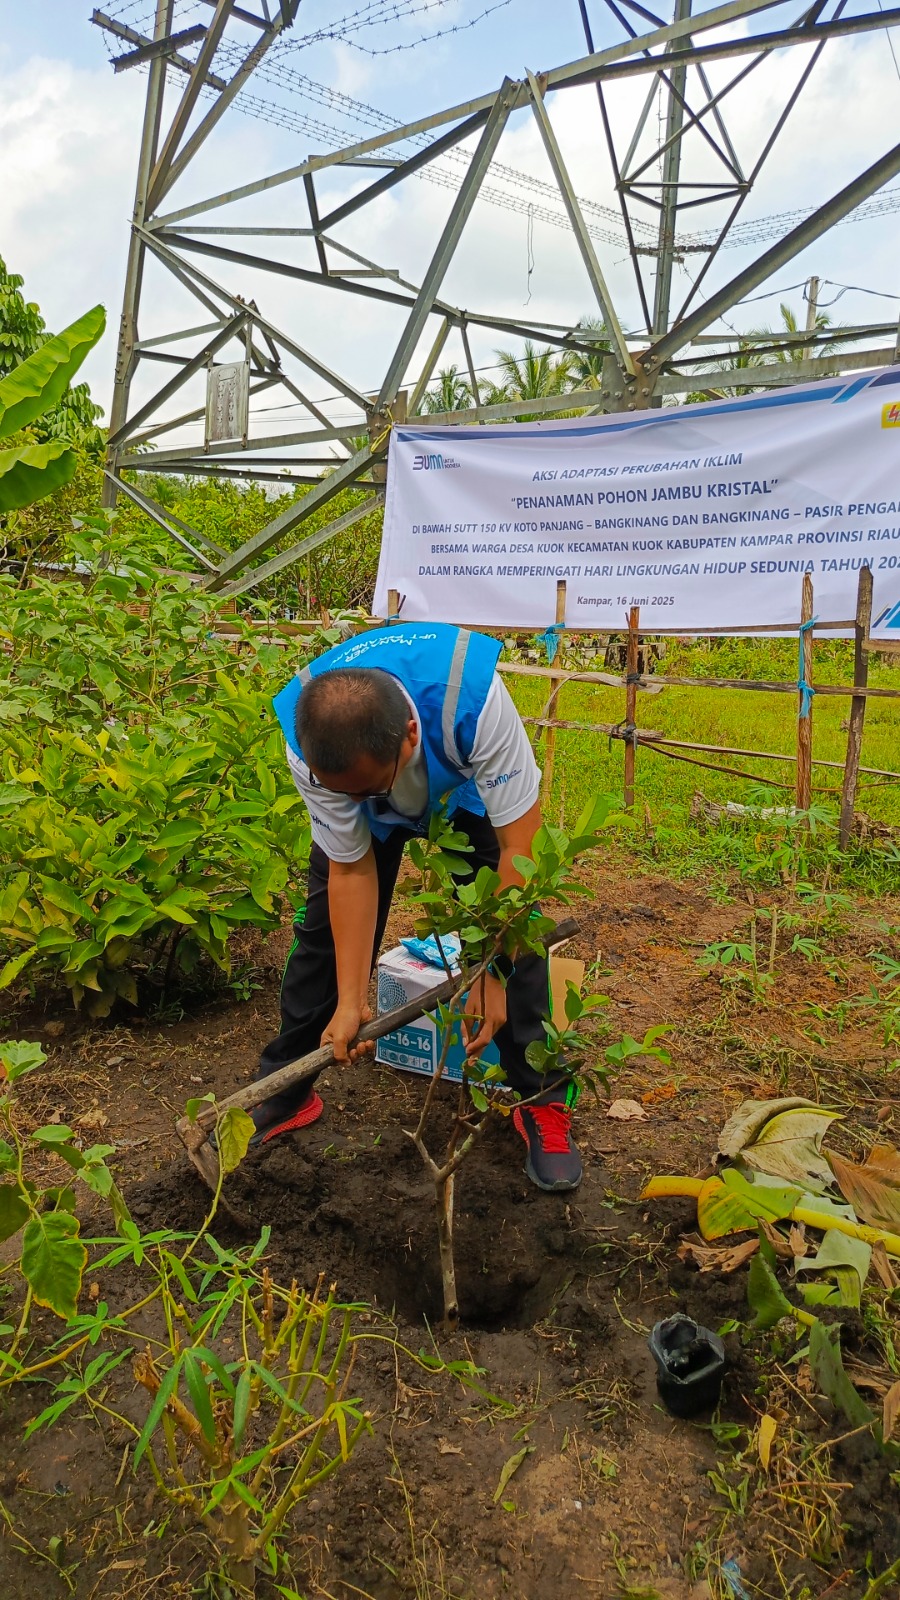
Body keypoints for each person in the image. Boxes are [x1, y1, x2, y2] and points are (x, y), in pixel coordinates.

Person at [248, 620, 581, 1193]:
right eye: (347, 794)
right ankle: (287, 1087)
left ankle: (540, 1096)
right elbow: (351, 870)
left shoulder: (475, 702)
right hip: (366, 775)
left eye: (371, 790)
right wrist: (351, 1002)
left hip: (464, 791)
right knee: (322, 936)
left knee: (510, 930)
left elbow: (519, 853)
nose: (363, 803)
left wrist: (491, 970)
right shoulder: (311, 743)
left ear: (409, 734)